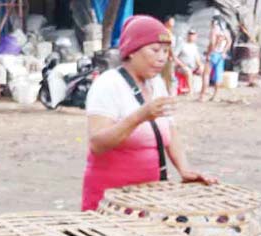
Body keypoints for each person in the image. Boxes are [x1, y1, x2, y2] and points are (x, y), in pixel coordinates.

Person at [82, 15, 216, 211]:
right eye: (154, 50)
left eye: (165, 51)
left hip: (149, 197)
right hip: (111, 199)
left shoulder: (157, 84)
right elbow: (97, 144)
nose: (162, 57)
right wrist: (139, 117)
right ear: (132, 51)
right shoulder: (108, 83)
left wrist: (184, 169)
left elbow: (169, 131)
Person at [200, 16, 230, 102]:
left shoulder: (214, 31)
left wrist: (209, 53)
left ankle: (203, 95)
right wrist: (224, 52)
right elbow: (229, 42)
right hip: (221, 55)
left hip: (213, 54)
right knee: (218, 76)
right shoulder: (226, 32)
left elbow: (212, 44)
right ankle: (215, 96)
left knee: (206, 74)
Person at [176, 30, 205, 96]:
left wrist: (200, 66)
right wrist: (181, 64)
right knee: (188, 71)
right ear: (187, 36)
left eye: (193, 35)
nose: (191, 36)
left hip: (192, 66)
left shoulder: (194, 46)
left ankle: (203, 89)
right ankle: (190, 90)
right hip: (181, 67)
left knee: (204, 69)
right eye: (190, 34)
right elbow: (175, 57)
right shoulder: (182, 45)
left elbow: (197, 59)